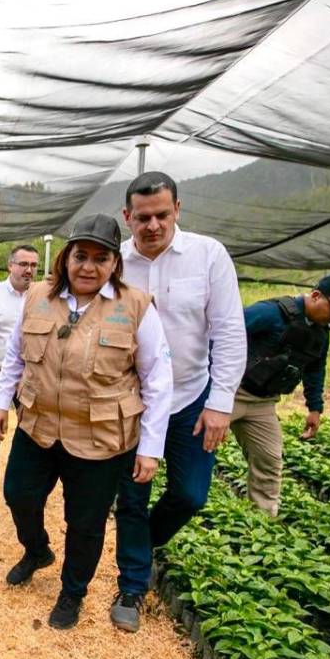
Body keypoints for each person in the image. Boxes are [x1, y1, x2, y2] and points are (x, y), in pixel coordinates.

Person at [0, 215, 171, 630]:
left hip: (101, 436)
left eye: (100, 258)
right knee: (18, 494)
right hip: (39, 425)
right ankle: (37, 550)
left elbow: (158, 380)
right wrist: (1, 403)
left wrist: (150, 448)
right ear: (67, 258)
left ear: (114, 263)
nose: (88, 267)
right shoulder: (38, 295)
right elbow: (16, 355)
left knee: (85, 522)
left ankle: (73, 592)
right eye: (80, 256)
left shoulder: (136, 306)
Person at [112, 171, 247, 633]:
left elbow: (229, 330)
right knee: (131, 495)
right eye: (143, 217)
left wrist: (221, 402)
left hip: (191, 396)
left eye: (162, 215)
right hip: (131, 400)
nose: (153, 225)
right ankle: (132, 585)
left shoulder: (208, 255)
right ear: (128, 216)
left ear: (177, 211)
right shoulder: (116, 263)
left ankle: (141, 544)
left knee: (190, 494)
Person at [232, 274, 330, 515]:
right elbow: (222, 336)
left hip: (263, 402)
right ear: (315, 296)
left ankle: (262, 521)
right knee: (191, 450)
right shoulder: (270, 313)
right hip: (230, 394)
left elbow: (314, 368)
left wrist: (315, 408)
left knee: (270, 460)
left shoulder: (321, 331)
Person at [0, 244, 39, 488]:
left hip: (30, 375)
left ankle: (25, 470)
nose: (29, 270)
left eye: (33, 265)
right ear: (10, 265)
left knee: (30, 423)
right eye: (23, 264)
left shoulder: (42, 298)